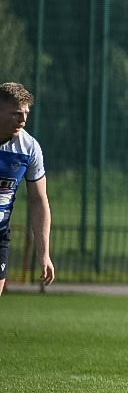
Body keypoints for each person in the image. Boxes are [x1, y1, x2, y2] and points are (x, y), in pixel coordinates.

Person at [0, 82, 54, 296]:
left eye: (26, 113)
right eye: (15, 113)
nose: (22, 120)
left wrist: (44, 254)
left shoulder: (29, 148)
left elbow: (38, 200)